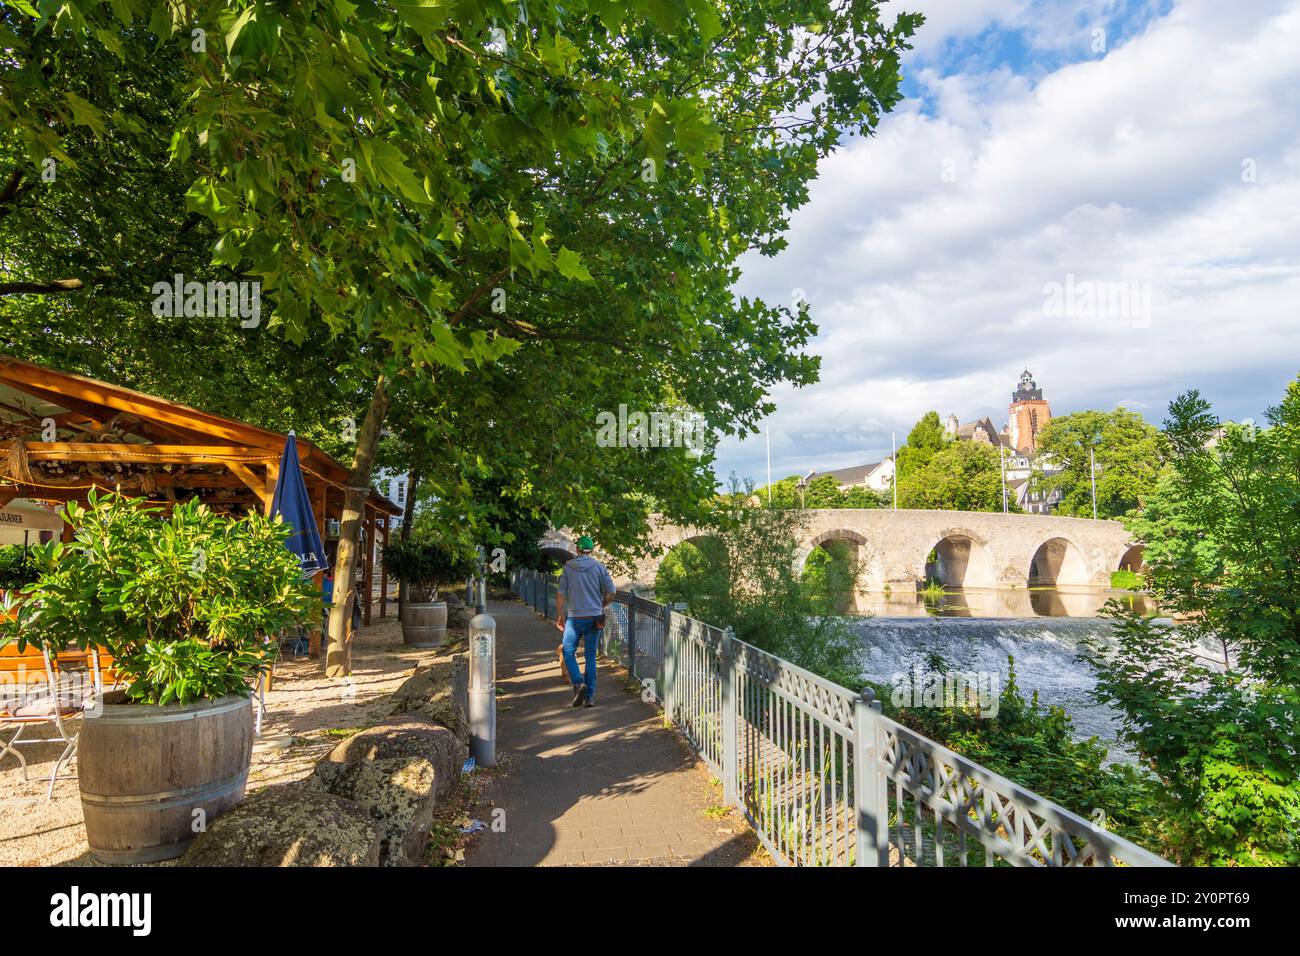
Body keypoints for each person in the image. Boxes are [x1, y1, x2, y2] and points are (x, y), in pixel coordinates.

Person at [555, 535, 616, 708]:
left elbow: (560, 594)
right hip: (595, 617)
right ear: (592, 550)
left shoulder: (568, 567)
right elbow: (612, 591)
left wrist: (560, 615)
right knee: (590, 656)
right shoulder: (599, 566)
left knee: (568, 651)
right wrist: (602, 604)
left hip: (575, 617)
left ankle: (578, 682)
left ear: (577, 549)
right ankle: (589, 697)